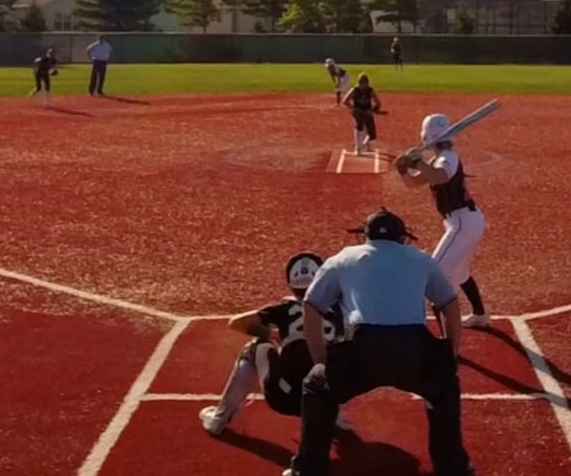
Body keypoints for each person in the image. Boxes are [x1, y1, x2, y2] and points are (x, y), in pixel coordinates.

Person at [287, 208, 474, 476]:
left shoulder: (343, 258)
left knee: (317, 388)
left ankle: (308, 469)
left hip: (362, 350)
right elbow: (449, 304)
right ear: (402, 237)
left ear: (365, 236)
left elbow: (312, 306)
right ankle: (453, 468)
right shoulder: (421, 259)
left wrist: (321, 361)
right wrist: (450, 353)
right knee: (444, 388)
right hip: (412, 348)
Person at [200, 252, 352, 437]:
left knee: (255, 347)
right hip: (324, 399)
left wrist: (274, 334)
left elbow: (236, 322)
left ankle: (218, 419)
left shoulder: (286, 308)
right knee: (340, 354)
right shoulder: (341, 311)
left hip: (284, 398)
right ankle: (334, 416)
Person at [395, 114, 491, 328]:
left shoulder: (447, 158)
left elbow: (441, 176)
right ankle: (480, 315)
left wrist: (417, 162)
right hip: (464, 222)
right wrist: (404, 170)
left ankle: (447, 341)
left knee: (434, 276)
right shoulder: (437, 160)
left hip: (462, 223)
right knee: (461, 273)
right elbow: (414, 183)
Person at [342, 73, 384, 156]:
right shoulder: (354, 90)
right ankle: (357, 148)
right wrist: (353, 109)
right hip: (358, 112)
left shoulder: (370, 91)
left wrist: (372, 110)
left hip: (367, 112)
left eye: (364, 84)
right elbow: (345, 101)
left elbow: (379, 103)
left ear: (367, 84)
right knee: (359, 127)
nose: (363, 86)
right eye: (361, 84)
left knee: (372, 134)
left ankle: (366, 144)